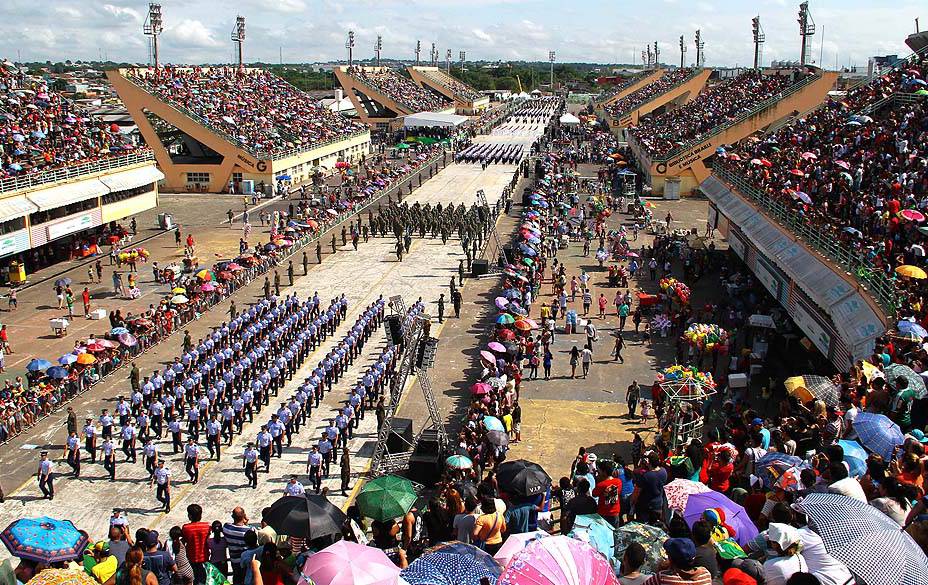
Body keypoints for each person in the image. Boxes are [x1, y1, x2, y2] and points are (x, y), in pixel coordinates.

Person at [643, 538, 712, 585]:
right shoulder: (706, 574)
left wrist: (661, 569)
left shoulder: (662, 577)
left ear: (671, 559)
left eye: (668, 553)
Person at [182, 504, 211, 585]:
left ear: (190, 516)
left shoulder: (186, 528)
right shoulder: (206, 526)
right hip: (204, 557)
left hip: (191, 558)